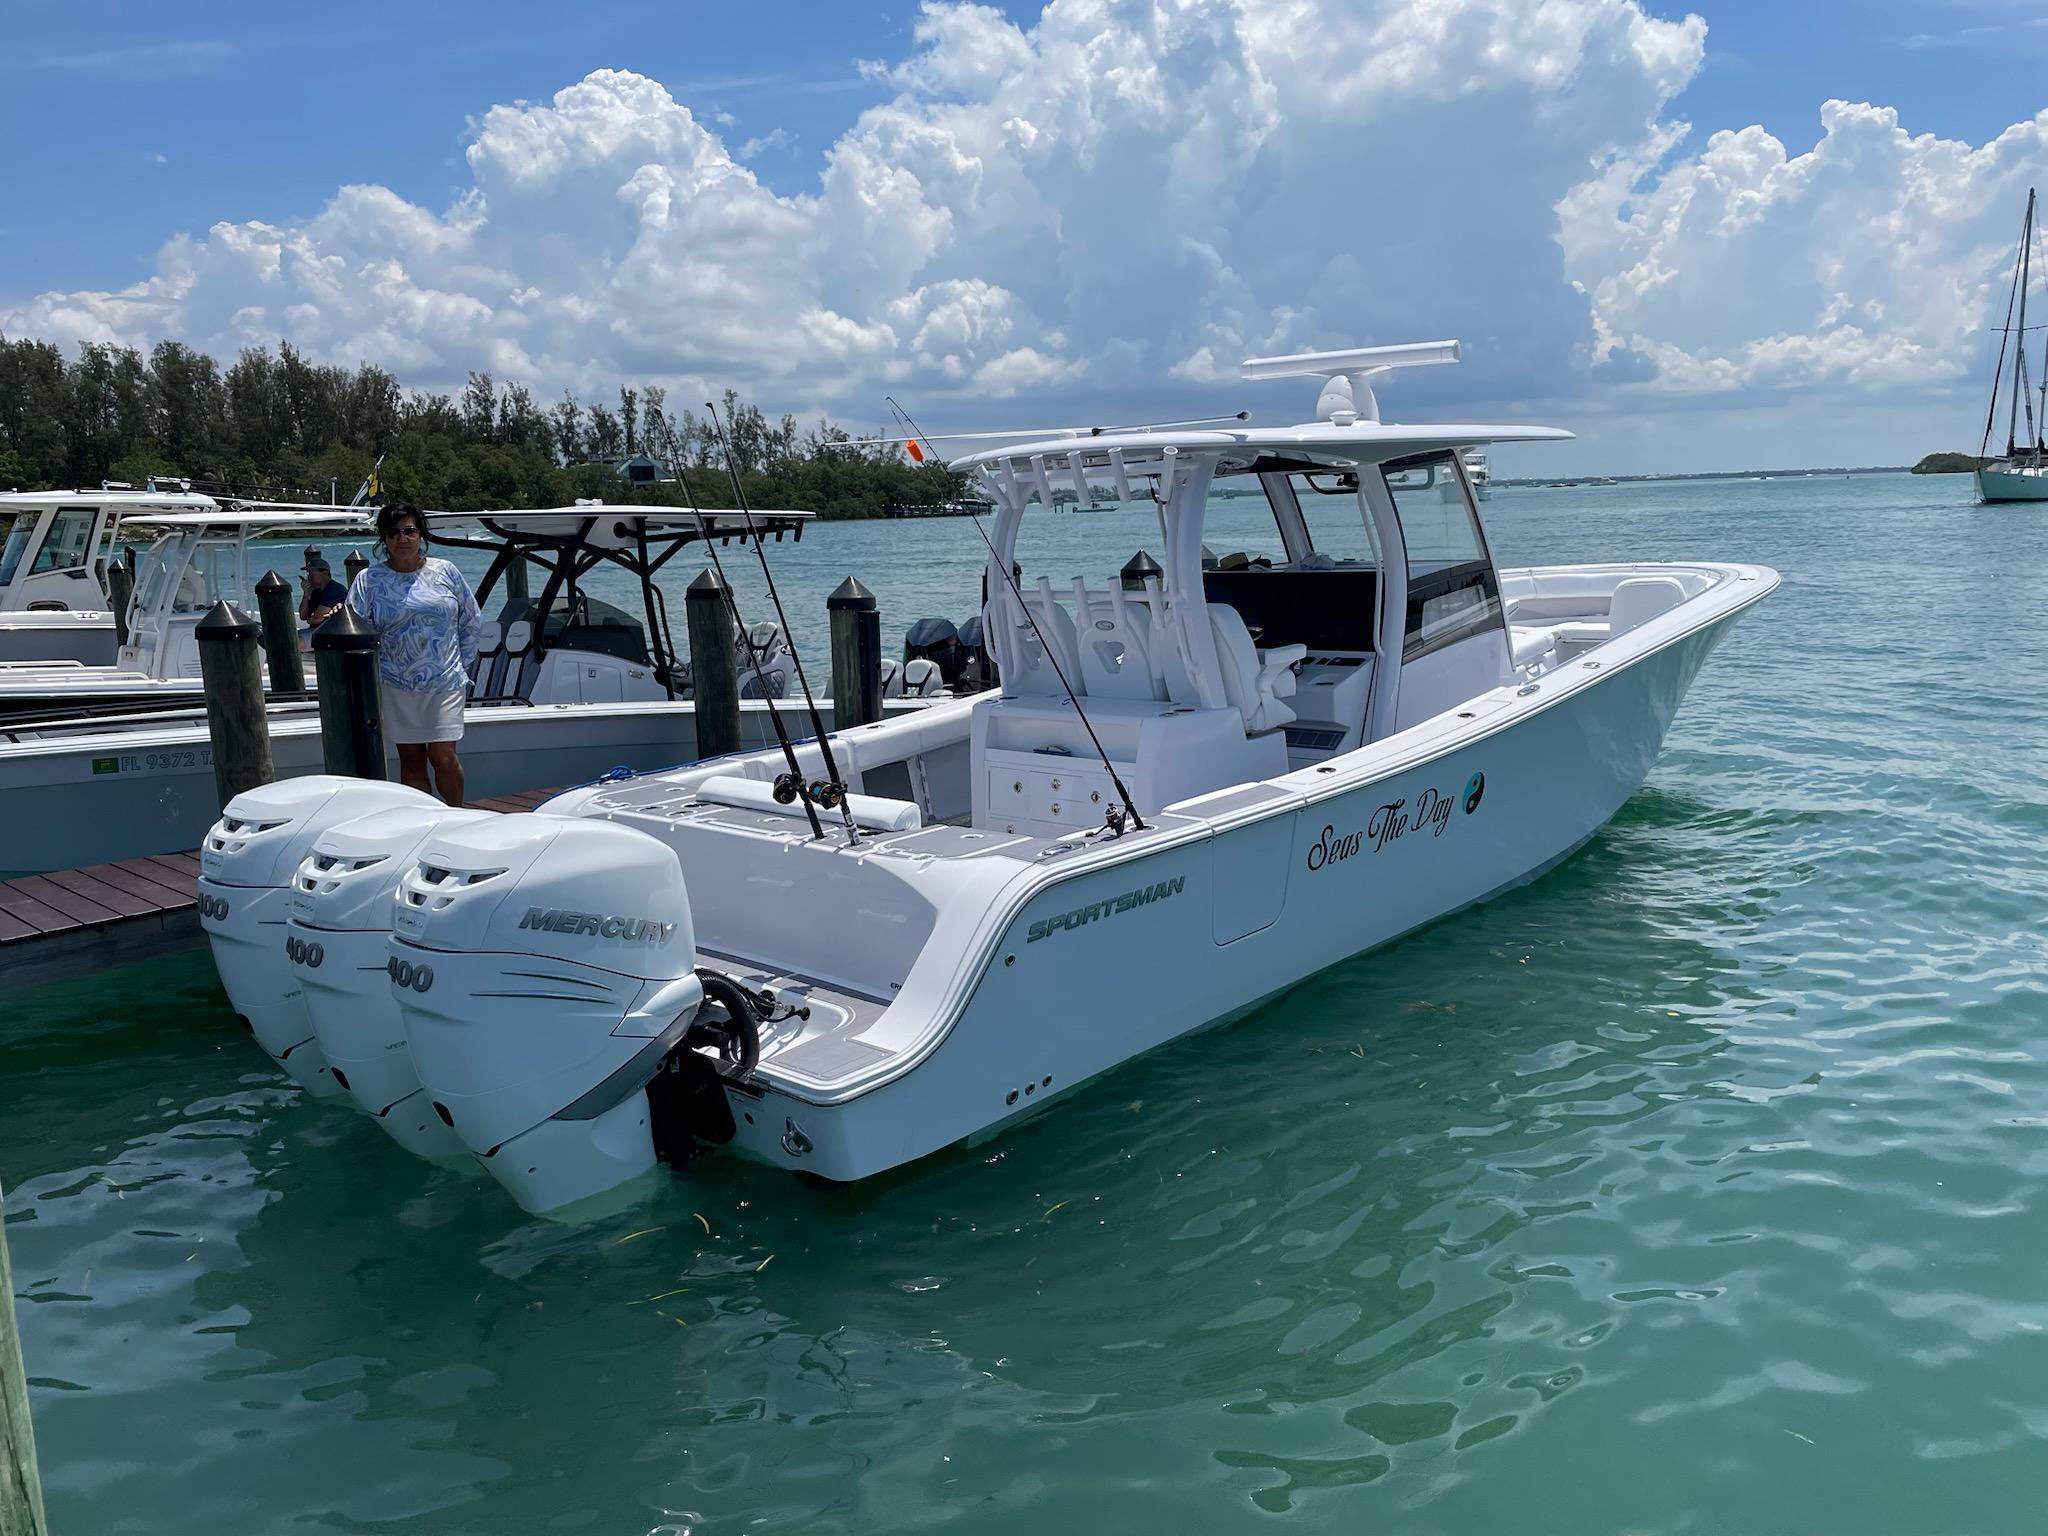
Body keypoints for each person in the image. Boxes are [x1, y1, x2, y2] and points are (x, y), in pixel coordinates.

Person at [345, 502, 480, 806]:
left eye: (409, 531)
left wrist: (462, 663)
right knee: (412, 758)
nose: (402, 538)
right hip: (395, 682)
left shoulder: (446, 571)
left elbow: (471, 619)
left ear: (420, 534)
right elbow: (356, 627)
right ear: (383, 538)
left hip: (445, 680)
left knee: (443, 756)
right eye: (393, 532)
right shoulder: (368, 579)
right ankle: (424, 820)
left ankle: (457, 814)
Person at [299, 554, 349, 624]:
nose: (309, 576)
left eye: (312, 573)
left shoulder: (334, 590)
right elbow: (303, 616)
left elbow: (316, 620)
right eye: (308, 573)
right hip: (319, 628)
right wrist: (306, 593)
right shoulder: (316, 592)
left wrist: (310, 619)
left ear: (325, 573)